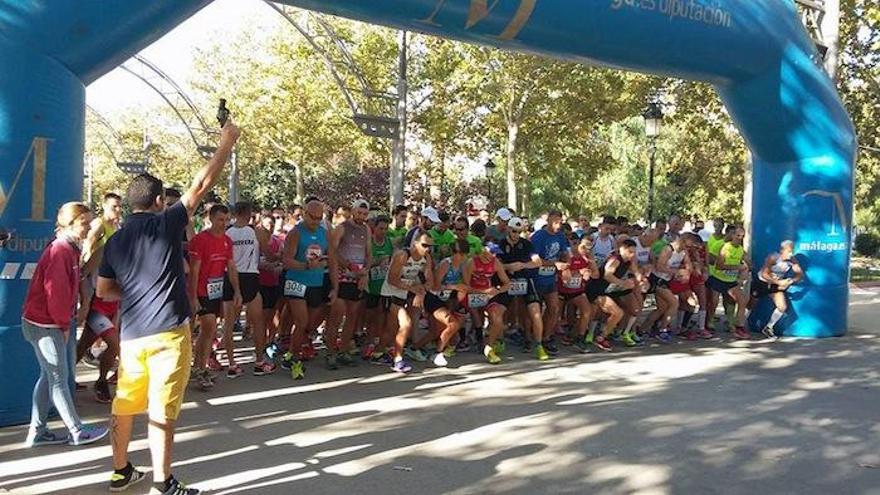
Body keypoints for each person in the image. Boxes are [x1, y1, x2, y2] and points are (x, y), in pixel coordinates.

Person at [97, 120, 240, 495]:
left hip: (132, 335)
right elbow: (201, 185)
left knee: (126, 402)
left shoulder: (115, 241)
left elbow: (104, 290)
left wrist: (136, 290)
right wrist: (226, 142)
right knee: (162, 410)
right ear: (160, 201)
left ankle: (120, 471)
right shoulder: (166, 223)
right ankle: (163, 483)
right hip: (168, 333)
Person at [22, 202, 109, 448]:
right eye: (84, 223)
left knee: (50, 375)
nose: (88, 227)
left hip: (48, 322)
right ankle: (77, 430)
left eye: (89, 222)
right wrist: (64, 324)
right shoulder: (61, 250)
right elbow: (56, 294)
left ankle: (37, 432)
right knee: (58, 377)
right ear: (69, 224)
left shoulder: (69, 248)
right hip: (45, 324)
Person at [280, 199, 337, 379]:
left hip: (316, 283)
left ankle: (291, 352)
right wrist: (306, 266)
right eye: (312, 217)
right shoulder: (295, 233)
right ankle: (296, 361)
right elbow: (286, 260)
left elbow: (333, 262)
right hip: (296, 282)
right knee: (302, 322)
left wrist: (336, 287)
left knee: (310, 325)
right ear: (305, 214)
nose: (315, 222)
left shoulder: (325, 233)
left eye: (319, 218)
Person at [381, 232, 451, 372]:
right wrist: (414, 289)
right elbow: (392, 279)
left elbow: (429, 282)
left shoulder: (426, 258)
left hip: (407, 293)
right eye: (424, 245)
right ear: (415, 243)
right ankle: (397, 359)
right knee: (404, 324)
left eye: (430, 246)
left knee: (393, 329)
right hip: (391, 293)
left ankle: (381, 352)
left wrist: (420, 291)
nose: (427, 249)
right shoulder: (403, 255)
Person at [76, 192, 123, 403]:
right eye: (114, 206)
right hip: (97, 297)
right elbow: (87, 255)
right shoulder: (98, 226)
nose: (118, 210)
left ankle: (66, 376)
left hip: (113, 299)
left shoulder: (117, 230)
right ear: (104, 206)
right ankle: (101, 382)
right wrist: (85, 298)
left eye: (120, 206)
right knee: (114, 345)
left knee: (84, 342)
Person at [189, 205, 241, 390]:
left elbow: (231, 267)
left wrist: (237, 291)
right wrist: (193, 296)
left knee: (208, 332)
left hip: (216, 291)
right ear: (211, 218)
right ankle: (200, 368)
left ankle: (198, 366)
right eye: (220, 220)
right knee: (208, 327)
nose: (224, 224)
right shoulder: (200, 240)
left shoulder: (227, 241)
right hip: (201, 291)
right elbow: (194, 270)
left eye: (227, 220)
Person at [223, 202, 275, 377]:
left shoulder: (227, 233)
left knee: (228, 324)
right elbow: (268, 253)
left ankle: (232, 365)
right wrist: (277, 258)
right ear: (248, 213)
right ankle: (259, 362)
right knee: (258, 322)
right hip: (249, 277)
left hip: (230, 276)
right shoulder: (256, 232)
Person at [326, 199, 371, 369]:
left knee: (352, 317)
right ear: (353, 211)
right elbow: (332, 251)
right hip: (341, 278)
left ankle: (344, 351)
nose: (362, 216)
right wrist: (348, 266)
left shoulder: (366, 229)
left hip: (357, 279)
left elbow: (369, 253)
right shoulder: (342, 228)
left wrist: (365, 272)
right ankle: (331, 353)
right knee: (336, 317)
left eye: (365, 214)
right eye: (359, 213)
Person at [587, 239, 643, 351]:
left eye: (634, 252)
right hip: (597, 289)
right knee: (617, 312)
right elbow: (607, 275)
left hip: (612, 289)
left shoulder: (629, 261)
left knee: (633, 308)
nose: (632, 255)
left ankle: (619, 332)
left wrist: (641, 279)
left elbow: (636, 272)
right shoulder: (615, 260)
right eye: (630, 252)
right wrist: (623, 283)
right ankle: (601, 338)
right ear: (622, 249)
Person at [529, 210, 571, 356]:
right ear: (548, 220)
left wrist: (566, 263)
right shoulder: (539, 237)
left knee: (554, 308)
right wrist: (555, 265)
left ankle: (547, 337)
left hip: (550, 279)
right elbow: (536, 260)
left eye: (560, 222)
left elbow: (564, 253)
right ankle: (532, 338)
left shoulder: (560, 236)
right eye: (555, 222)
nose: (558, 225)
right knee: (536, 312)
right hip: (536, 278)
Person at [707, 227, 751, 339]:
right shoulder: (725, 247)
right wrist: (737, 267)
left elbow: (748, 263)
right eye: (738, 236)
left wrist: (746, 268)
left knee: (743, 300)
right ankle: (708, 323)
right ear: (732, 235)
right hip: (718, 279)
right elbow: (718, 265)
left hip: (731, 281)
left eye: (742, 236)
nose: (740, 238)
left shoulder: (740, 249)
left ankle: (739, 326)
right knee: (714, 302)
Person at [753, 240, 803, 339]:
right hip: (762, 282)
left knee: (782, 306)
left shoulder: (793, 260)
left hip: (775, 286)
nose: (791, 254)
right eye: (789, 251)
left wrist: (790, 281)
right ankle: (741, 324)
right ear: (782, 250)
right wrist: (779, 282)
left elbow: (800, 275)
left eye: (792, 251)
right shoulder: (773, 257)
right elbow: (764, 274)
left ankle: (768, 327)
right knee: (751, 305)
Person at [557, 237, 599, 353]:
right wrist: (578, 272)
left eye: (589, 248)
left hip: (577, 291)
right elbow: (565, 278)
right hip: (561, 290)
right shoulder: (567, 255)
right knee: (554, 314)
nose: (586, 250)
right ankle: (547, 338)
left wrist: (589, 269)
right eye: (584, 247)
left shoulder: (587, 258)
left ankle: (579, 338)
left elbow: (596, 275)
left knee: (587, 311)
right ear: (576, 245)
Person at [363, 215, 394, 361]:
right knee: (369, 316)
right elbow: (363, 263)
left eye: (386, 229)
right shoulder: (368, 243)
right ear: (374, 228)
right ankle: (368, 342)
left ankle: (378, 343)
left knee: (382, 315)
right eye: (381, 228)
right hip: (370, 286)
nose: (383, 231)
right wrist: (377, 262)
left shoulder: (389, 242)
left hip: (384, 287)